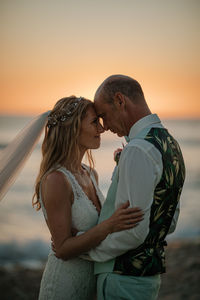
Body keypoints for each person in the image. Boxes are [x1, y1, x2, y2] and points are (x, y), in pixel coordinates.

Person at [32, 96, 143, 300]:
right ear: (72, 129)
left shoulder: (90, 173)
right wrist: (109, 225)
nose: (101, 130)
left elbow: (97, 228)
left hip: (91, 283)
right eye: (94, 122)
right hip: (64, 285)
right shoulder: (56, 180)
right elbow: (63, 249)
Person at [85, 75, 186, 300]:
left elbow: (133, 233)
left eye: (103, 116)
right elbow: (170, 221)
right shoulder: (170, 144)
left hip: (121, 278)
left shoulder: (138, 150)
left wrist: (85, 251)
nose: (104, 126)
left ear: (120, 100)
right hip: (148, 279)